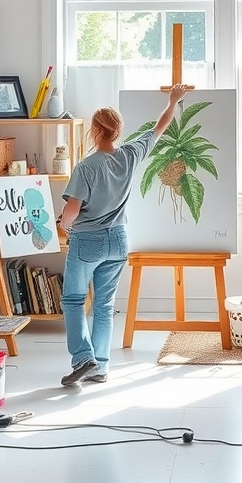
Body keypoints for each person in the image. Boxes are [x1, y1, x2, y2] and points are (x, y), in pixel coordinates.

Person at [59, 83, 189, 387]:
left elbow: (72, 211)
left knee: (74, 300)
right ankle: (101, 367)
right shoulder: (131, 154)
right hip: (118, 240)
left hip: (87, 242)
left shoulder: (86, 166)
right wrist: (173, 100)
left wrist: (64, 225)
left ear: (95, 130)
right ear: (118, 131)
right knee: (104, 305)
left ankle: (83, 360)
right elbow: (160, 127)